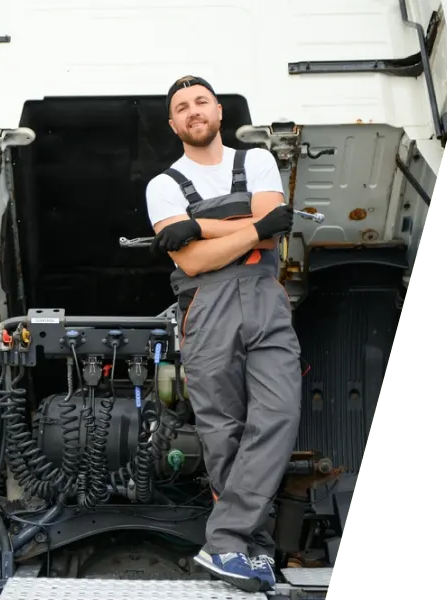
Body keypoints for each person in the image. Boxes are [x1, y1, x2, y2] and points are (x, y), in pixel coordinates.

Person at [145, 75, 302, 593]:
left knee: (278, 413)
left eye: (201, 102)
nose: (193, 111)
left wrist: (201, 223)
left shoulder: (254, 159)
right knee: (223, 431)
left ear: (218, 112)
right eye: (182, 107)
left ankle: (227, 540)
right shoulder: (163, 184)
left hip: (263, 295)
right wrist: (250, 229)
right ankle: (250, 553)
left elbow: (273, 220)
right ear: (173, 124)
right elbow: (191, 261)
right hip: (206, 306)